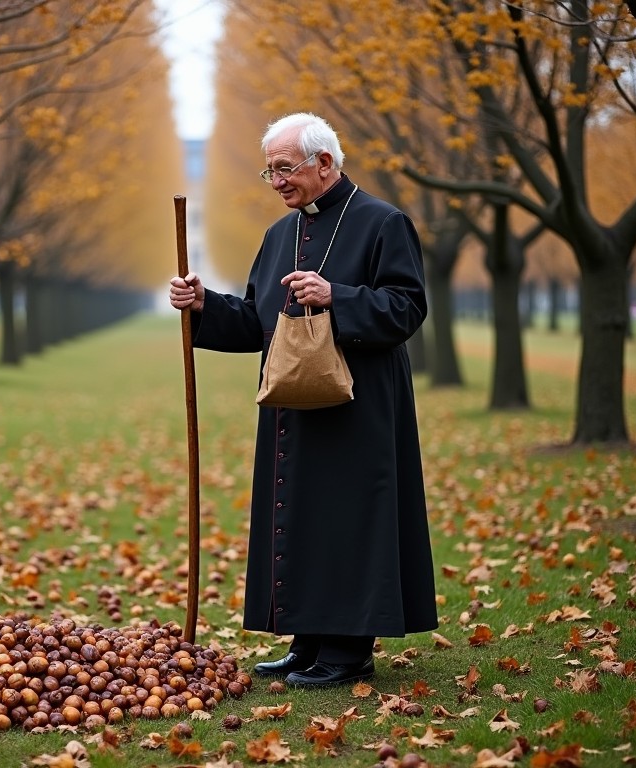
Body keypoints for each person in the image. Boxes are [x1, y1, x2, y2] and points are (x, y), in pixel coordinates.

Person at [168, 112, 437, 687]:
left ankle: (347, 650)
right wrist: (202, 306)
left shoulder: (384, 223)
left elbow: (406, 308)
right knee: (303, 518)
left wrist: (335, 295)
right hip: (291, 407)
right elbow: (254, 323)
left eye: (285, 168)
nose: (277, 181)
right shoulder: (277, 235)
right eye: (269, 171)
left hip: (359, 408)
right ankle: (308, 639)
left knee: (346, 519)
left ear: (325, 162)